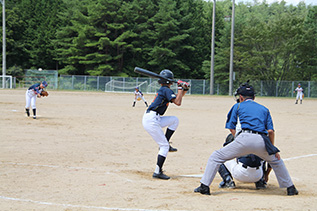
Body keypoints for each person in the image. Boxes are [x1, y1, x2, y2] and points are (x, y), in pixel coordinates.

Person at [194, 81, 298, 196]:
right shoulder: (264, 109)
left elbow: (231, 127)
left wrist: (239, 140)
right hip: (261, 140)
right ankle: (291, 188)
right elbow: (270, 131)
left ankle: (204, 187)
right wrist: (272, 149)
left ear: (241, 97)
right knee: (276, 161)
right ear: (254, 97)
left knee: (216, 157)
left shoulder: (237, 105)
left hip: (244, 137)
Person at [142, 69, 189, 180]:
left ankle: (166, 142)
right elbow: (178, 103)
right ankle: (157, 172)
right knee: (164, 147)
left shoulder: (165, 90)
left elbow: (178, 98)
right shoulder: (166, 90)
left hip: (154, 118)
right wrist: (179, 88)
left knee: (174, 120)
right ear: (169, 81)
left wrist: (183, 89)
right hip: (152, 119)